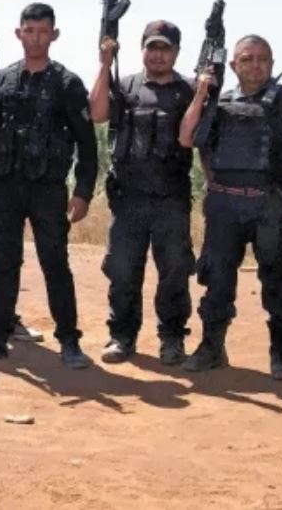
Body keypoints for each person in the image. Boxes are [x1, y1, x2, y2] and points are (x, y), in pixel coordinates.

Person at [179, 34, 282, 380]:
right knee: (216, 279)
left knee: (276, 280)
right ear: (233, 65)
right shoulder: (219, 100)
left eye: (263, 58)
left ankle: (281, 353)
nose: (256, 65)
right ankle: (211, 348)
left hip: (268, 206)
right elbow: (192, 141)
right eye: (247, 58)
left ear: (272, 64)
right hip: (224, 206)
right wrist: (202, 93)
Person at [0, 3, 97, 368]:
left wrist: (83, 191)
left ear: (54, 35)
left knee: (55, 263)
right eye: (30, 31)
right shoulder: (0, 81)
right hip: (5, 185)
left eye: (43, 31)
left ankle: (69, 341)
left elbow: (86, 143)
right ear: (18, 33)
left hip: (47, 187)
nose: (36, 38)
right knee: (4, 264)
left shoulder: (67, 83)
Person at [88, 21, 196, 364]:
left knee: (175, 271)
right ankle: (122, 335)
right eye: (152, 47)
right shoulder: (124, 85)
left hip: (171, 198)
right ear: (142, 50)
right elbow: (97, 113)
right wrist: (105, 63)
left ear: (176, 52)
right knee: (122, 270)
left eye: (165, 48)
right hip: (129, 198)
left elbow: (200, 141)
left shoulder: (190, 91)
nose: (158, 54)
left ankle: (172, 338)